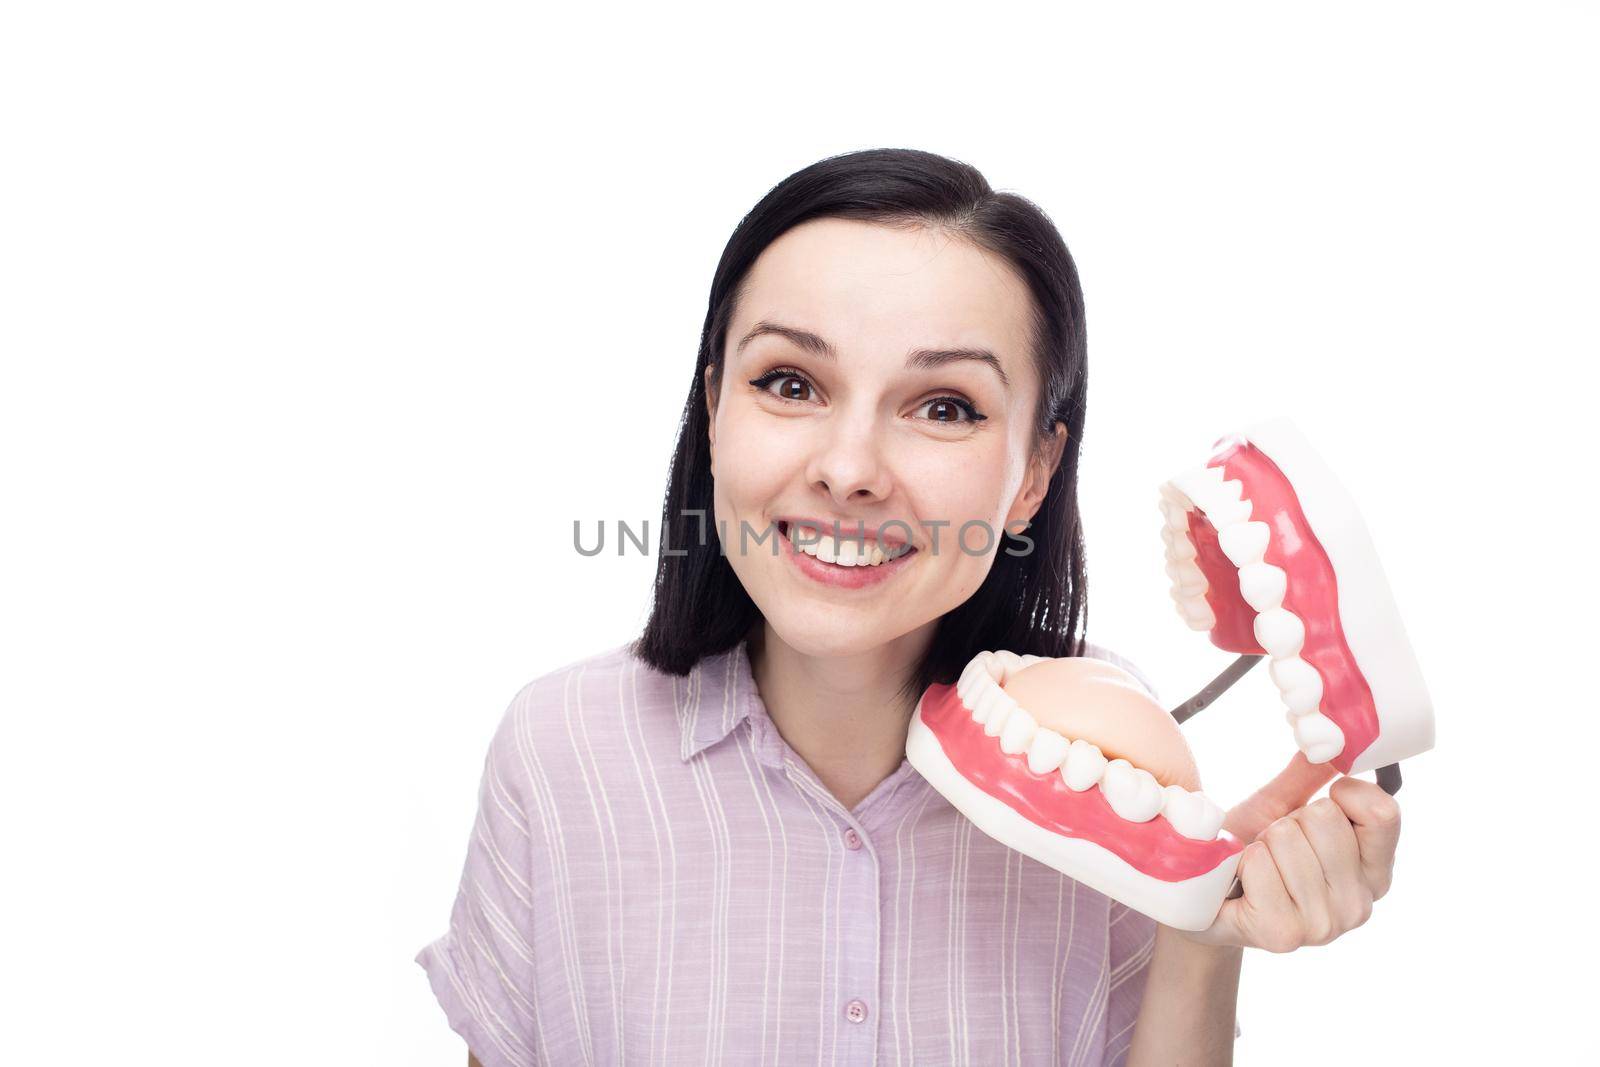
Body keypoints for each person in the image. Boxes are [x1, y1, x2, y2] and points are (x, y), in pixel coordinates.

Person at [414, 148, 1402, 1066]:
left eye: (944, 406)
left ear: (1034, 472)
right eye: (789, 382)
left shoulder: (1119, 759)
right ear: (714, 408)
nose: (847, 470)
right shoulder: (559, 749)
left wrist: (1203, 931)